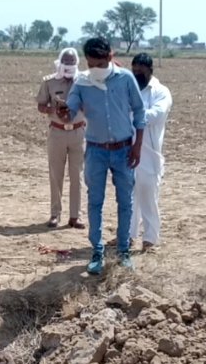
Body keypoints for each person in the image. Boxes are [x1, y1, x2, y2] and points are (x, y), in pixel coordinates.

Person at [63, 37, 146, 274]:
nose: (96, 69)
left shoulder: (125, 78)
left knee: (125, 202)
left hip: (124, 149)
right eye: (91, 64)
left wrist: (137, 145)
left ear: (110, 57)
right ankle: (97, 252)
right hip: (96, 150)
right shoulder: (83, 82)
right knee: (95, 202)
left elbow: (139, 111)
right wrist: (63, 111)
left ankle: (123, 251)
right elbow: (70, 111)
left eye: (100, 64)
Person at [36, 47, 86, 229]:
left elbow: (91, 106)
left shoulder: (84, 82)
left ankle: (75, 216)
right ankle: (55, 214)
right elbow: (40, 105)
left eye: (72, 63)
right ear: (60, 62)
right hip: (57, 132)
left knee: (77, 176)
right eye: (66, 63)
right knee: (55, 175)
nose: (69, 67)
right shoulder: (49, 82)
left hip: (78, 132)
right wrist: (52, 110)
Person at [129, 53, 173, 252]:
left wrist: (130, 114)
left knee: (147, 196)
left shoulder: (161, 92)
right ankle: (127, 236)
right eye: (134, 70)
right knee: (128, 197)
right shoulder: (128, 89)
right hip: (126, 149)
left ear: (150, 70)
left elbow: (154, 115)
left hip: (149, 153)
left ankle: (150, 239)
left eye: (141, 71)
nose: (137, 74)